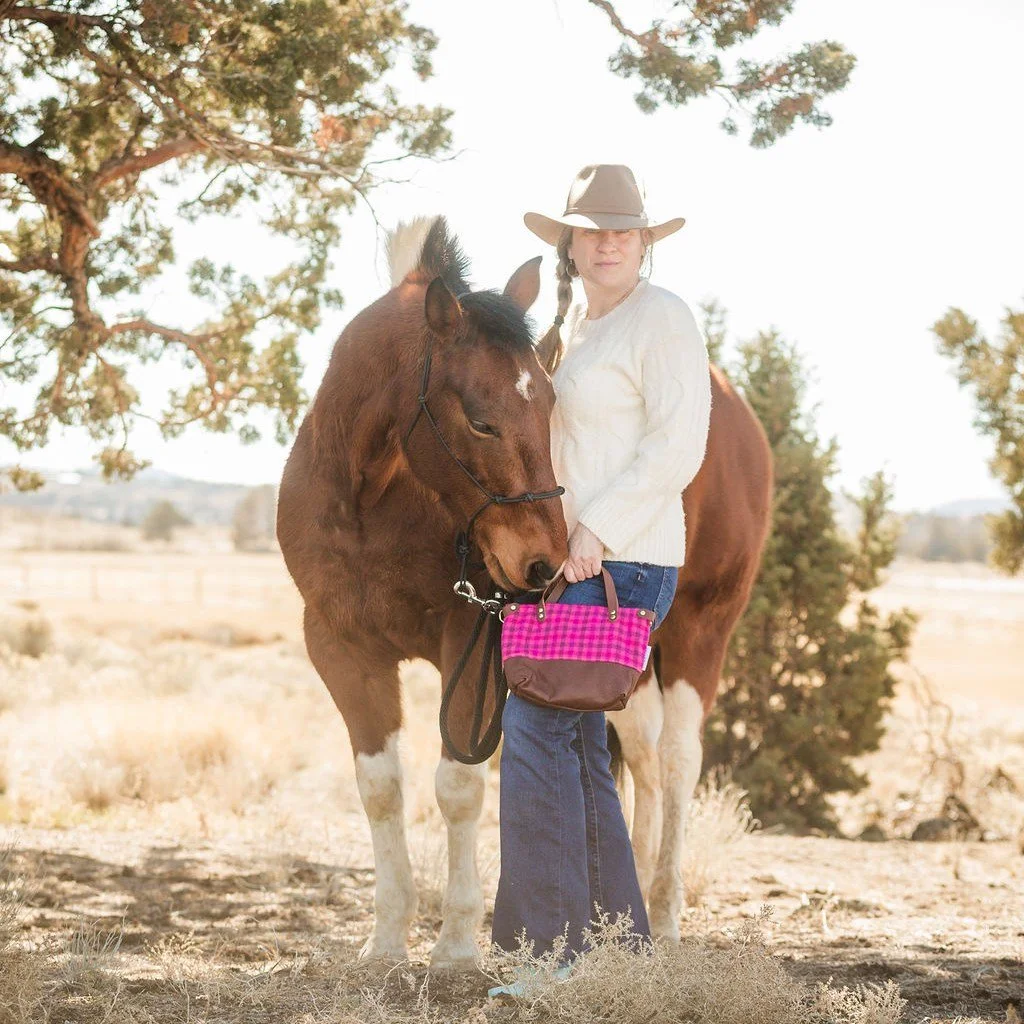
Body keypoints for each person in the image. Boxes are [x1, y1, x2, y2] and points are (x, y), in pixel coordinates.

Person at [488, 164, 713, 999]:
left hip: (624, 561)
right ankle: (618, 957)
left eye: (625, 230)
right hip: (570, 561)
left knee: (537, 728)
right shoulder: (575, 325)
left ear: (645, 243)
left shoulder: (665, 320)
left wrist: (595, 530)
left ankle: (553, 960)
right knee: (577, 744)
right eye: (593, 229)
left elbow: (678, 444)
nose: (609, 241)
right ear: (571, 245)